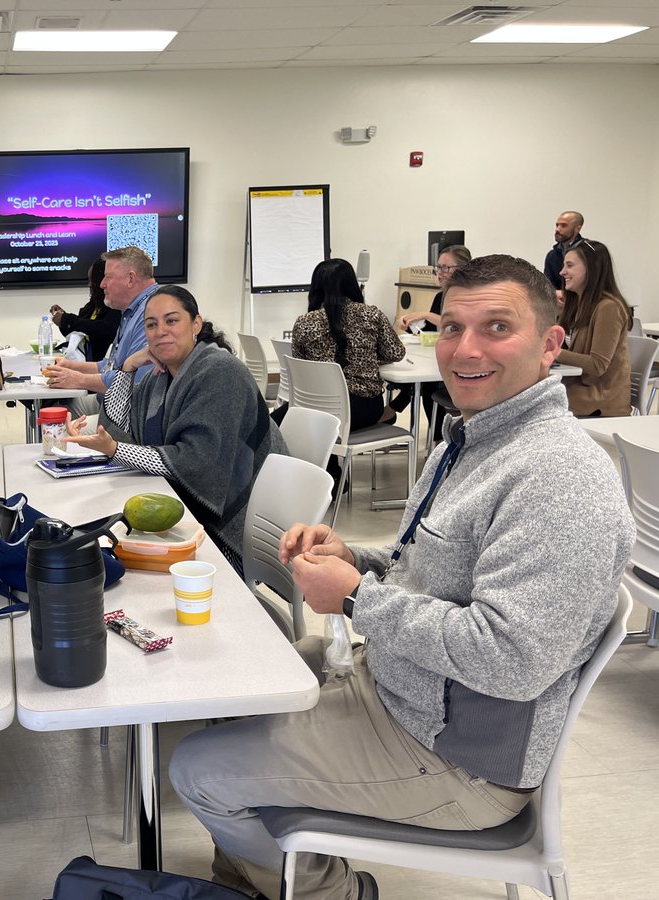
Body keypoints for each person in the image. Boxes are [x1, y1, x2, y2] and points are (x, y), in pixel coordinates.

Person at [169, 255, 634, 900]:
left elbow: (513, 659)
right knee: (230, 691)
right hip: (399, 688)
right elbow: (433, 568)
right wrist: (354, 558)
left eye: (497, 327)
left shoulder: (559, 479)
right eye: (450, 328)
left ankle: (326, 892)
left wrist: (357, 597)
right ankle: (266, 870)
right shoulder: (470, 440)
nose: (464, 350)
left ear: (551, 345)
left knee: (196, 770)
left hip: (458, 757)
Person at [64, 285, 286, 575]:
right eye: (151, 325)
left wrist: (114, 450)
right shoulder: (163, 375)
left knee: (120, 569)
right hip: (190, 511)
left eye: (171, 321)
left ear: (196, 324)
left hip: (234, 533)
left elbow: (196, 462)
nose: (160, 332)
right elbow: (120, 427)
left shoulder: (219, 371)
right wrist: (129, 367)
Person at [288, 258, 405, 431]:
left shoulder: (304, 322)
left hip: (318, 405)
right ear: (352, 284)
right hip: (364, 408)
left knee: (269, 425)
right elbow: (396, 352)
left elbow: (300, 364)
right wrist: (369, 358)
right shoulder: (371, 314)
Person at [44, 246, 161, 414]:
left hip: (130, 413)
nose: (101, 284)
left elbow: (137, 381)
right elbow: (113, 365)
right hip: (111, 401)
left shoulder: (152, 312)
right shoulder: (132, 310)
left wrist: (78, 379)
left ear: (130, 279)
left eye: (108, 277)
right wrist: (71, 366)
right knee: (53, 408)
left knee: (57, 424)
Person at [392, 245, 472, 437]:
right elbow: (431, 331)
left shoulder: (469, 298)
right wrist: (413, 327)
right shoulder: (440, 296)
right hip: (439, 359)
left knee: (426, 386)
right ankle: (435, 437)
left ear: (462, 269)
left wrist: (427, 315)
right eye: (438, 267)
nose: (440, 273)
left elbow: (460, 325)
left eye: (446, 268)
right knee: (419, 382)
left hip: (463, 362)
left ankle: (434, 436)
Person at [555, 239, 632, 417]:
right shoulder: (576, 304)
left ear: (591, 268)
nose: (562, 272)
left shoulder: (608, 307)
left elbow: (598, 365)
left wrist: (552, 351)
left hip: (600, 400)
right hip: (578, 390)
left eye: (570, 265)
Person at [48, 257, 123, 362]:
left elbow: (105, 329)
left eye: (93, 280)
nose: (89, 285)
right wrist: (62, 319)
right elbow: (79, 331)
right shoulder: (93, 305)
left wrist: (67, 320)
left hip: (99, 368)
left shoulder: (116, 306)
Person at [543, 210, 587, 291]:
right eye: (557, 225)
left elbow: (596, 281)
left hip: (585, 300)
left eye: (563, 226)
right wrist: (555, 294)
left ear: (577, 229)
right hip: (559, 302)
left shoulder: (588, 251)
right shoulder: (552, 255)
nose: (557, 230)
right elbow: (548, 284)